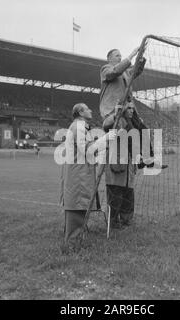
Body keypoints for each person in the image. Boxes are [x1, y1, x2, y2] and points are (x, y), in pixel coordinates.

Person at [59, 103, 115, 252]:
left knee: (79, 206)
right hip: (78, 176)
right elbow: (87, 150)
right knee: (77, 207)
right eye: (87, 108)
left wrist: (103, 146)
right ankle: (72, 246)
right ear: (80, 112)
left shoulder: (81, 127)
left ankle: (75, 242)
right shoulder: (78, 127)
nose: (90, 110)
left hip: (81, 174)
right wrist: (106, 139)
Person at [99, 47, 167, 169]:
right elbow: (114, 72)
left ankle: (149, 159)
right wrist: (130, 56)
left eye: (120, 55)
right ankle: (138, 159)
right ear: (109, 59)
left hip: (128, 108)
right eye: (117, 55)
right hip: (114, 110)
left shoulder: (125, 72)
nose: (120, 57)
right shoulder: (105, 69)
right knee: (129, 130)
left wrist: (140, 57)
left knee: (143, 129)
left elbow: (135, 71)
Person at [105, 104, 137, 229]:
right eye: (129, 108)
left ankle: (126, 220)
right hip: (117, 163)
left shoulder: (132, 123)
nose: (131, 111)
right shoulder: (116, 119)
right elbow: (106, 125)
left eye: (133, 109)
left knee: (128, 193)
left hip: (128, 164)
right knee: (116, 194)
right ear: (123, 109)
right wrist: (115, 115)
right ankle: (113, 222)